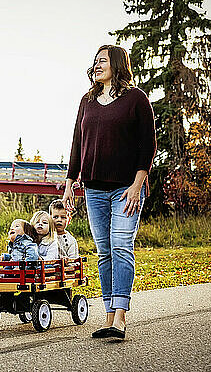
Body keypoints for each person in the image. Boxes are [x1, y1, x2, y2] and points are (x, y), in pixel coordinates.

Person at [62, 45, 156, 340]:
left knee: (120, 246)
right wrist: (69, 183)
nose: (96, 65)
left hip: (127, 189)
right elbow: (77, 143)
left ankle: (121, 318)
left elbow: (148, 145)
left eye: (102, 60)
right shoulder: (87, 100)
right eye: (95, 61)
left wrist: (137, 185)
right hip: (94, 189)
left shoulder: (135, 99)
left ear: (117, 64)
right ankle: (108, 316)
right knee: (104, 252)